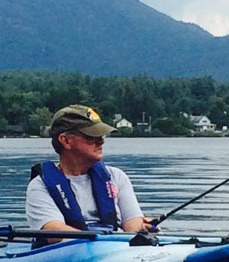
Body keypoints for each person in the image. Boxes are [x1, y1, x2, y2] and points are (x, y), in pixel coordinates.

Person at [26, 104, 154, 243]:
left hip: (112, 251)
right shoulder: (39, 186)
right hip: (66, 255)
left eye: (101, 135)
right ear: (66, 140)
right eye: (91, 136)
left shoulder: (116, 177)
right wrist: (102, 242)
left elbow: (132, 224)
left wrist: (141, 228)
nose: (101, 141)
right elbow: (54, 232)